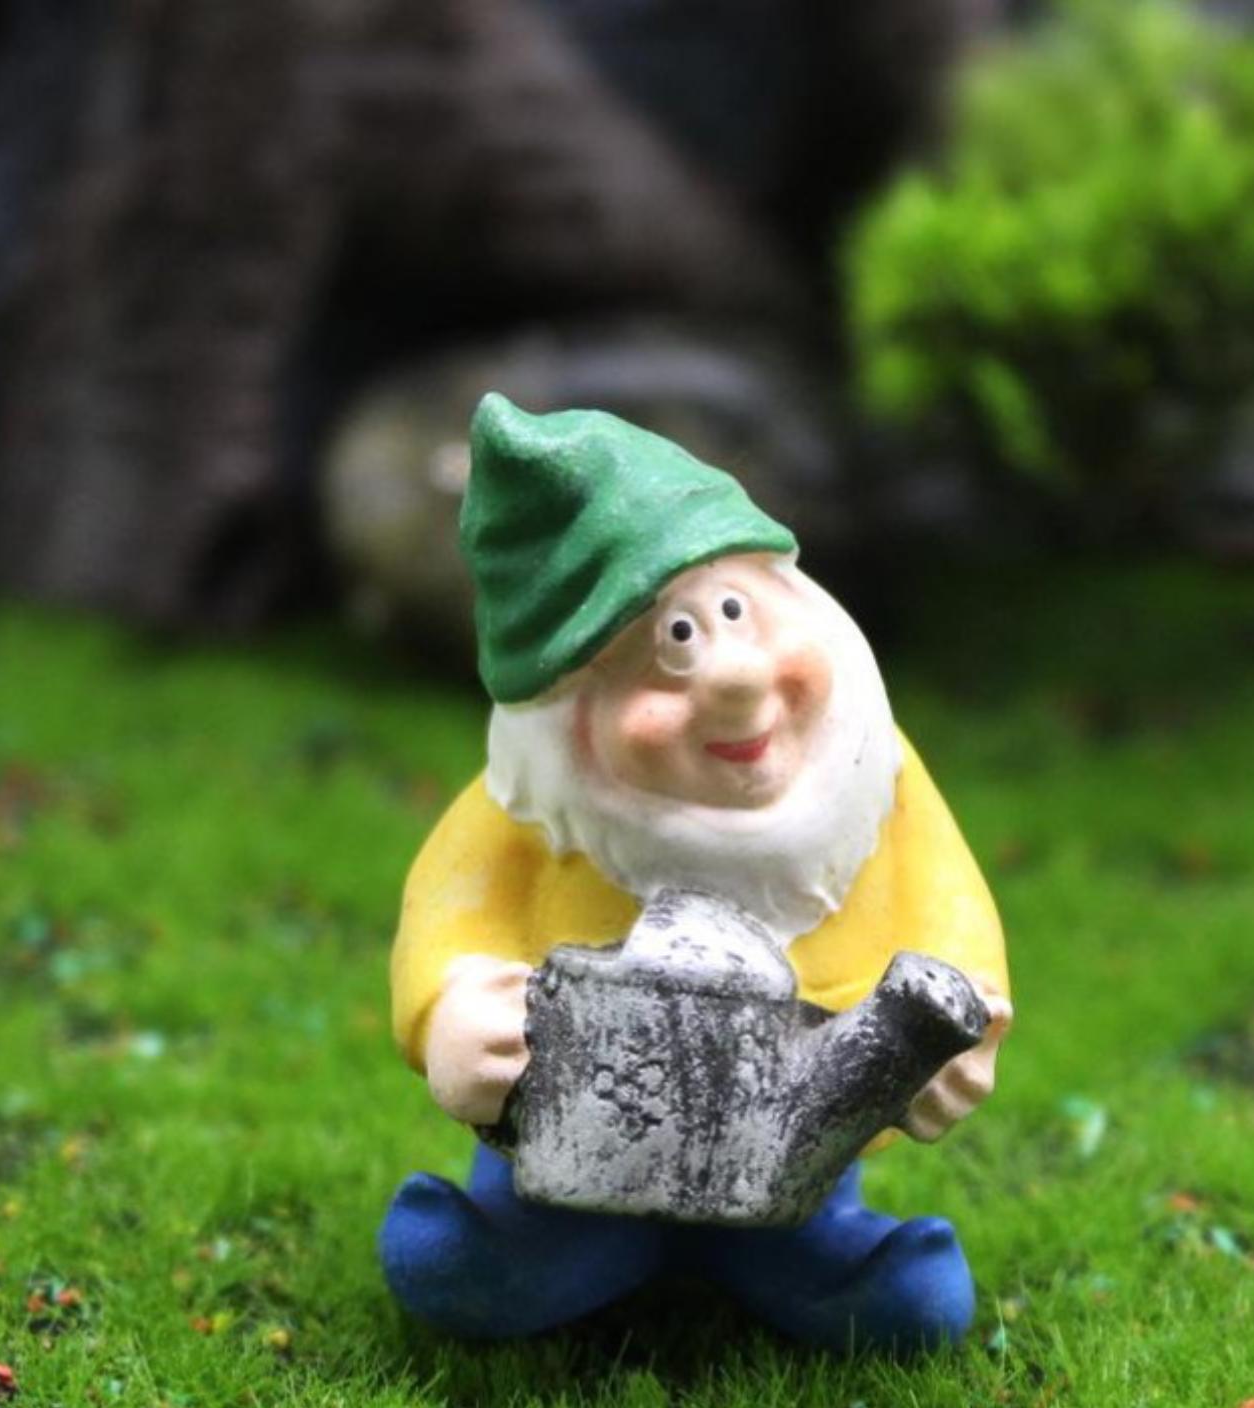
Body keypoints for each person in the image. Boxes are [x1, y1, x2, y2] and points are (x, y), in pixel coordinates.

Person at [380, 394, 1011, 1352]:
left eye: (734, 612)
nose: (737, 678)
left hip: (800, 1153)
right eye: (675, 645)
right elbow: (450, 914)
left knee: (907, 1312)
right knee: (476, 1273)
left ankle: (840, 1268)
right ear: (569, 710)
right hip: (567, 1161)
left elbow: (946, 902)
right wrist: (454, 1014)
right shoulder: (531, 806)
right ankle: (507, 1255)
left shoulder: (870, 772)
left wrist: (958, 1033)